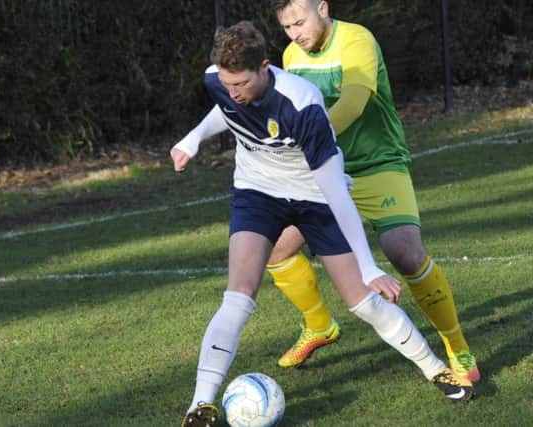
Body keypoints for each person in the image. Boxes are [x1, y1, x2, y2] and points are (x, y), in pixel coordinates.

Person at [173, 21, 473, 427]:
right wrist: (192, 139)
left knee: (362, 301)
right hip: (257, 193)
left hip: (316, 198)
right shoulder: (219, 81)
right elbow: (225, 109)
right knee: (238, 296)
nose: (234, 93)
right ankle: (201, 405)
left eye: (242, 83)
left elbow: (337, 196)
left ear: (265, 67)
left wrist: (369, 269)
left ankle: (434, 366)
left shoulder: (303, 107)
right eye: (228, 84)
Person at [267, 0, 480, 384]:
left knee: (405, 253)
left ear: (323, 8)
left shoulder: (357, 39)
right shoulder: (290, 54)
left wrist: (312, 138)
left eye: (299, 22)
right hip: (327, 170)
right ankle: (319, 325)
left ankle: (456, 345)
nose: (295, 33)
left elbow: (353, 101)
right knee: (276, 248)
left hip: (378, 163)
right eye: (287, 27)